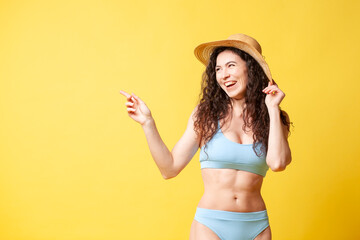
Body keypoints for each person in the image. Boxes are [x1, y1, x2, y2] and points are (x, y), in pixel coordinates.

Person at [120, 33, 292, 240]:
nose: (223, 75)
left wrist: (273, 109)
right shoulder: (206, 115)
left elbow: (278, 163)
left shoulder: (273, 119)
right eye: (218, 69)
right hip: (211, 225)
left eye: (230, 66)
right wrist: (148, 123)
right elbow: (169, 169)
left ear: (251, 69)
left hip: (256, 225)